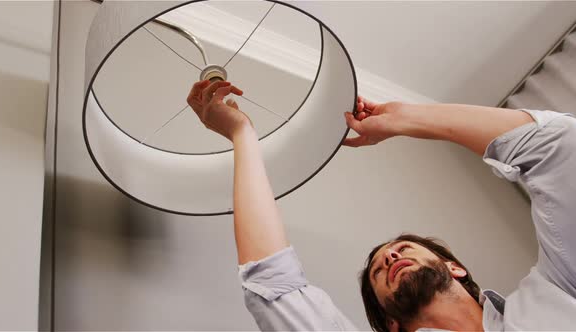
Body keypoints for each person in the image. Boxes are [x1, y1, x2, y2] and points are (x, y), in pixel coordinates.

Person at [187, 80, 576, 331]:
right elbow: (273, 285)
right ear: (390, 321)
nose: (390, 256)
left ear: (455, 268)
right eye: (379, 270)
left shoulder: (556, 293)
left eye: (402, 250)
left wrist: (405, 119)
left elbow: (560, 148)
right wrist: (242, 134)